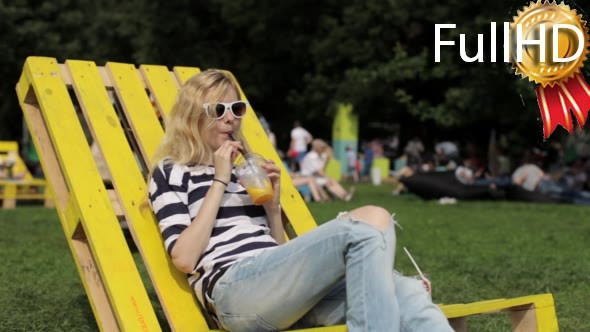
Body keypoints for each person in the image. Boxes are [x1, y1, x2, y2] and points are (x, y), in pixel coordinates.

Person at [147, 69, 453, 331]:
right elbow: (185, 259)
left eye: (236, 108)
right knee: (368, 220)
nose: (230, 119)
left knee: (409, 292)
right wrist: (219, 180)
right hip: (235, 291)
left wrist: (272, 207)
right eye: (218, 110)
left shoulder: (247, 172)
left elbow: (278, 254)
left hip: (283, 296)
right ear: (192, 115)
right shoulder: (172, 172)